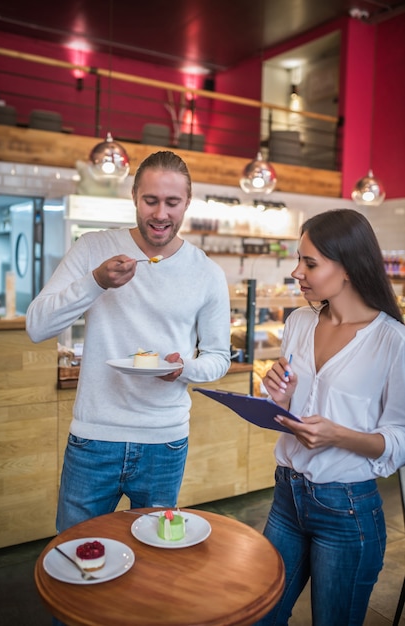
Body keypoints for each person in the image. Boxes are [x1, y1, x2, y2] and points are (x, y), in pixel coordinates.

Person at [26, 150, 231, 533]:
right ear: (134, 196)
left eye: (172, 202)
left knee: (153, 565)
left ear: (187, 202)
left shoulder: (206, 272)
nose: (160, 214)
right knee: (74, 549)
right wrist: (95, 282)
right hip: (94, 438)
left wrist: (185, 368)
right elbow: (37, 326)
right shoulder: (93, 248)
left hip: (165, 442)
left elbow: (219, 357)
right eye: (151, 200)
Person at [255, 208, 405, 626]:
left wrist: (339, 436)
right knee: (260, 615)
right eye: (298, 260)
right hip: (287, 496)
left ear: (348, 269)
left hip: (348, 508)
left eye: (310, 262)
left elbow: (400, 438)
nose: (296, 272)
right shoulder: (299, 322)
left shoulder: (393, 341)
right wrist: (280, 399)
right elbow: (290, 412)